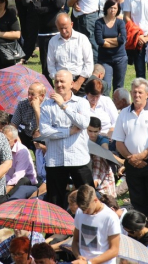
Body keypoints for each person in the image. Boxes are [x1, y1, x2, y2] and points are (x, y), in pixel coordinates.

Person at [113, 77, 148, 239]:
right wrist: (132, 159)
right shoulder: (124, 114)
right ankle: (140, 236)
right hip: (131, 164)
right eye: (134, 92)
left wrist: (141, 156)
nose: (137, 95)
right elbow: (119, 142)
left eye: (140, 92)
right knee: (137, 203)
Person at [39, 70, 93, 207]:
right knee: (55, 202)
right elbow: (44, 131)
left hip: (78, 158)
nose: (59, 84)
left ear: (72, 84)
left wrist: (63, 106)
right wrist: (68, 131)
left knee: (88, 199)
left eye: (62, 81)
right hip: (55, 160)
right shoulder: (46, 105)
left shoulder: (81, 103)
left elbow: (83, 124)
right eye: (56, 81)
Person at [31, 0, 66, 83]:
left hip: (57, 33)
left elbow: (58, 3)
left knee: (60, 63)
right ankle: (48, 89)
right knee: (46, 66)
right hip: (43, 34)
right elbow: (37, 11)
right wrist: (54, 9)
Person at [46, 13, 93, 96]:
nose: (64, 31)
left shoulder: (82, 39)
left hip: (80, 82)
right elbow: (51, 66)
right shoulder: (53, 41)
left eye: (66, 28)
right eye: (61, 28)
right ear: (57, 27)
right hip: (61, 84)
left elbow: (89, 64)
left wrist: (78, 83)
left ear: (71, 24)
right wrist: (59, 81)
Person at [72, 185, 120, 264]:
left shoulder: (110, 217)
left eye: (87, 209)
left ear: (95, 200)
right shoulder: (79, 212)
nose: (84, 212)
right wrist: (78, 256)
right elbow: (75, 241)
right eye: (82, 209)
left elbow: (114, 250)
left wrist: (89, 262)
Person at [95, 0, 127, 92]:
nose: (112, 10)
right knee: (106, 85)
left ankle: (118, 106)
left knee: (119, 86)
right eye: (110, 7)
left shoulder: (120, 22)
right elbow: (100, 41)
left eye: (115, 8)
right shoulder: (99, 23)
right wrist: (115, 40)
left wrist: (107, 41)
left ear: (118, 9)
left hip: (120, 57)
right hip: (105, 59)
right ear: (106, 8)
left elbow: (122, 39)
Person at [3, 125, 38, 197]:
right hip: (9, 180)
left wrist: (6, 190)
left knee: (22, 180)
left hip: (25, 181)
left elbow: (18, 176)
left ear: (15, 141)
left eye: (7, 140)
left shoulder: (22, 151)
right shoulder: (1, 149)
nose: (3, 142)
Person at [11, 82, 45, 147]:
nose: (29, 97)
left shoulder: (48, 106)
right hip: (26, 133)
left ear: (42, 96)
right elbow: (13, 124)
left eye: (32, 94)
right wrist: (18, 141)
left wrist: (37, 109)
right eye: (28, 93)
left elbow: (43, 127)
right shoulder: (23, 103)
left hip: (41, 136)